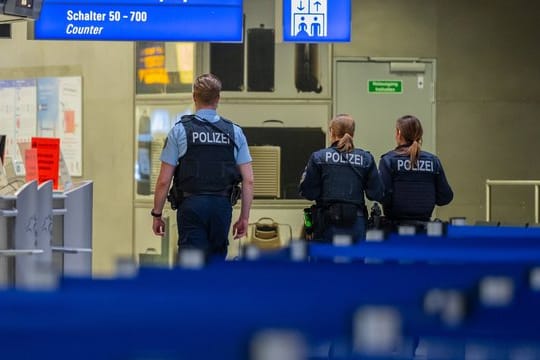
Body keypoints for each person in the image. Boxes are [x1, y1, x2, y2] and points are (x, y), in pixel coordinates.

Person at [151, 73, 254, 259]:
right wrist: (244, 218)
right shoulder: (234, 132)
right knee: (216, 266)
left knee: (192, 266)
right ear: (218, 98)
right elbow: (249, 180)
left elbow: (164, 181)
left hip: (191, 206)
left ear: (194, 97)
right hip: (221, 206)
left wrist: (157, 214)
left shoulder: (179, 131)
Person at [299, 114, 384, 242]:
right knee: (355, 261)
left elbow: (308, 192)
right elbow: (376, 194)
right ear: (353, 133)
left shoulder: (318, 157)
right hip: (357, 222)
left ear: (332, 132)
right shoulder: (366, 159)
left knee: (326, 260)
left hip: (326, 223)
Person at [378, 115, 453, 226]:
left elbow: (383, 195)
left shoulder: (389, 160)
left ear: (399, 133)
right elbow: (445, 197)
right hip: (425, 229)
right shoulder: (433, 161)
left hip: (396, 229)